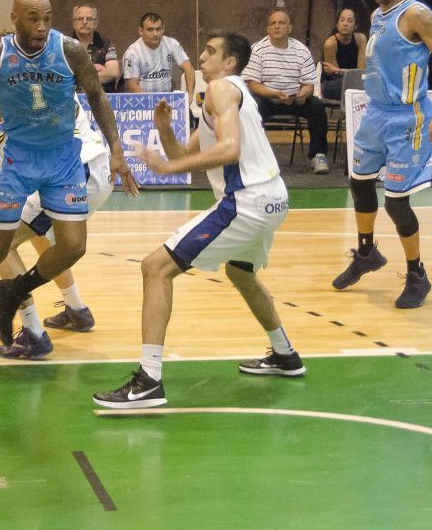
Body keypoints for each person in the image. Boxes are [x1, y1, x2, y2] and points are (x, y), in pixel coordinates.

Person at [0, 0, 138, 377]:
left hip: (62, 157)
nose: (42, 26)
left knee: (73, 246)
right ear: (14, 18)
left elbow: (97, 95)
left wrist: (117, 148)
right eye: (32, 18)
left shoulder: (69, 50)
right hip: (15, 158)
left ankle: (14, 290)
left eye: (46, 17)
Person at [93, 33, 305, 408]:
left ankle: (149, 380)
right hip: (273, 198)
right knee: (240, 272)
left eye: (211, 51)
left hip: (246, 201)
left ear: (229, 62)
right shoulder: (221, 96)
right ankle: (285, 354)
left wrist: (168, 168)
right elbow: (184, 150)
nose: (201, 57)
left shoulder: (222, 88)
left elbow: (229, 149)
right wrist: (163, 129)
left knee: (155, 267)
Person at [331, 0, 432, 309]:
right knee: (359, 183)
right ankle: (366, 253)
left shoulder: (416, 15)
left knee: (396, 202)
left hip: (408, 116)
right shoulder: (377, 15)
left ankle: (417, 274)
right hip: (376, 111)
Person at [0, 95, 112, 357]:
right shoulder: (48, 79)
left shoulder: (27, 83)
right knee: (39, 234)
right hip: (94, 166)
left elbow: (42, 128)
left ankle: (32, 331)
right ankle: (76, 309)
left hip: (75, 168)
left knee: (3, 243)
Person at [243, 9, 331, 175]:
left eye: (281, 23)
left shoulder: (302, 51)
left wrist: (303, 94)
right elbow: (252, 85)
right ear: (268, 29)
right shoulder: (257, 50)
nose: (277, 26)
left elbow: (309, 85)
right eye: (273, 23)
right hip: (267, 99)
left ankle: (318, 155)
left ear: (290, 28)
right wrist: (275, 94)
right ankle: (255, 158)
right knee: (251, 107)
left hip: (294, 100)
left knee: (317, 106)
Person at [122, 12, 196, 101]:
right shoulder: (132, 53)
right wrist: (149, 103)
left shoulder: (172, 44)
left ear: (163, 29)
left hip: (166, 101)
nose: (155, 34)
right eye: (150, 30)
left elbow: (189, 69)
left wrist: (189, 95)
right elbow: (132, 86)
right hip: (141, 102)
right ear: (141, 31)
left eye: (158, 29)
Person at [68, 4, 120, 93]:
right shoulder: (64, 44)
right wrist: (95, 72)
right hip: (72, 96)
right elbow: (60, 76)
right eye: (80, 19)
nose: (84, 22)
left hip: (101, 95)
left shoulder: (105, 43)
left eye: (89, 19)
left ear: (96, 23)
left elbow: (113, 73)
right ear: (74, 23)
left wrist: (77, 76)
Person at [321, 8, 367, 101]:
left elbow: (361, 71)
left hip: (354, 79)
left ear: (356, 25)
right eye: (342, 20)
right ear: (337, 24)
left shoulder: (361, 39)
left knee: (370, 81)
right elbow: (334, 74)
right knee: (352, 85)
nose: (345, 24)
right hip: (333, 82)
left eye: (350, 21)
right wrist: (339, 71)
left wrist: (340, 70)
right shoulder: (330, 43)